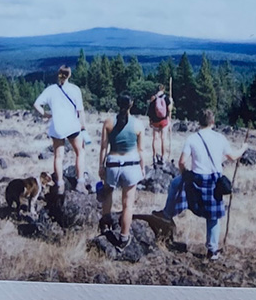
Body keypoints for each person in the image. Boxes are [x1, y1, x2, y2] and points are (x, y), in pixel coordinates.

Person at [153, 109, 246, 260]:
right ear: (213, 122)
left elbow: (182, 162)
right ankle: (212, 250)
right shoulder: (220, 138)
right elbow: (233, 157)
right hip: (215, 181)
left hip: (196, 180)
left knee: (175, 183)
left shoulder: (192, 139)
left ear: (199, 122)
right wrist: (244, 148)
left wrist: (185, 174)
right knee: (213, 216)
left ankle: (167, 214)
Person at [33, 65, 92, 194]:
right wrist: (83, 126)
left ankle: (60, 184)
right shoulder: (75, 89)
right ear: (69, 75)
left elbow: (36, 104)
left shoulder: (51, 90)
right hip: (72, 126)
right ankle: (80, 182)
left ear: (58, 74)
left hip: (57, 127)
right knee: (80, 152)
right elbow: (80, 111)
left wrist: (46, 114)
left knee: (58, 156)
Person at [98, 93, 145, 248]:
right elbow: (141, 150)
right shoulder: (138, 124)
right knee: (128, 204)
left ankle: (105, 226)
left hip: (113, 163)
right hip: (131, 164)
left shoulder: (108, 122)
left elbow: (104, 147)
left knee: (107, 196)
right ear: (131, 104)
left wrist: (101, 166)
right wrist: (142, 168)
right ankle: (124, 237)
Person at [146, 84, 173, 167]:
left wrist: (150, 121)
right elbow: (169, 109)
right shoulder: (166, 97)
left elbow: (149, 111)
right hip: (164, 121)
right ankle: (163, 157)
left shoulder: (153, 98)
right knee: (163, 139)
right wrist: (171, 102)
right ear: (163, 89)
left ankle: (154, 156)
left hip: (155, 122)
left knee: (155, 139)